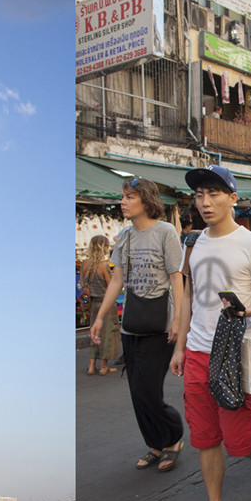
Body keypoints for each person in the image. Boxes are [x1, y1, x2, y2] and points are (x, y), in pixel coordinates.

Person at [171, 165, 251, 501]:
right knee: (204, 437)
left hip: (234, 351)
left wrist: (247, 310)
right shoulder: (193, 242)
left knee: (241, 442)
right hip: (198, 351)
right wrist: (180, 346)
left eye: (214, 194)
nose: (205, 202)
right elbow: (189, 299)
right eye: (199, 195)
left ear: (233, 198)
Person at [91, 177, 185, 472]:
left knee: (148, 391)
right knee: (136, 394)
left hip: (159, 325)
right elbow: (117, 280)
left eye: (129, 197)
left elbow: (176, 278)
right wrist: (100, 316)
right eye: (123, 196)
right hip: (131, 325)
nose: (123, 202)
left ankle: (173, 437)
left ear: (146, 201)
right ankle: (156, 444)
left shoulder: (165, 232)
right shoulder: (124, 236)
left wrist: (178, 319)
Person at [81, 235, 119, 375]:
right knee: (107, 334)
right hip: (106, 304)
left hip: (93, 303)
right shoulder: (104, 266)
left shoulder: (85, 264)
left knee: (94, 333)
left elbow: (83, 284)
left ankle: (91, 366)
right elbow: (112, 286)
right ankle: (104, 367)